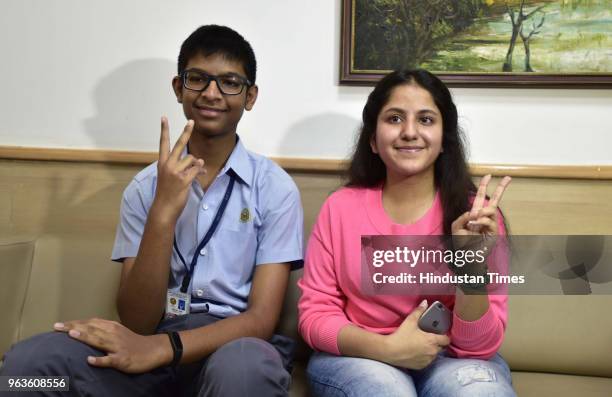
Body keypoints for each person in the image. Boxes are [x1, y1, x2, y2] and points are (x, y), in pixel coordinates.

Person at [0, 25, 303, 397]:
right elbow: (137, 320)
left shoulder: (274, 189)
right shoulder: (144, 188)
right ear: (179, 88)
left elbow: (260, 319)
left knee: (244, 370)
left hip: (232, 346)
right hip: (153, 342)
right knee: (27, 367)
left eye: (229, 82)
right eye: (198, 79)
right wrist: (163, 211)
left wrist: (165, 349)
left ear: (250, 96)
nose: (212, 93)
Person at [297, 69, 516, 396]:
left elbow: (477, 349)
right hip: (364, 355)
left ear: (444, 140)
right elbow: (315, 316)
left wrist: (469, 264)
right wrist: (389, 350)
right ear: (373, 139)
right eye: (395, 118)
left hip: (449, 360)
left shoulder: (477, 218)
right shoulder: (340, 209)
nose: (410, 132)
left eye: (426, 120)